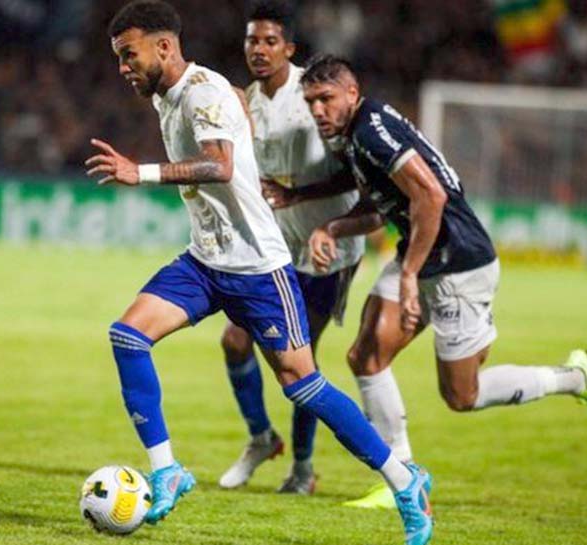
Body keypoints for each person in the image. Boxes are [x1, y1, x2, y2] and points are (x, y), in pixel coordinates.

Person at [85, 3, 432, 543]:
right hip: (205, 260)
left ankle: (404, 480)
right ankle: (167, 471)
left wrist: (140, 172)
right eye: (119, 58)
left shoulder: (204, 91)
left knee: (302, 384)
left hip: (258, 269)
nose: (124, 67)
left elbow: (219, 166)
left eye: (129, 55)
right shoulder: (167, 95)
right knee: (127, 336)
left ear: (164, 47)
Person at [299, 54, 587, 505]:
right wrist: (331, 227)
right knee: (366, 356)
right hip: (421, 253)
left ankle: (575, 378)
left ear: (351, 94)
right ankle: (404, 477)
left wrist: (409, 275)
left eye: (325, 98)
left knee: (462, 395)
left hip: (458, 263)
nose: (317, 110)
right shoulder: (355, 135)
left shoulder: (371, 129)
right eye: (310, 100)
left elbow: (430, 195)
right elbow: (383, 206)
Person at [217, 0, 368, 495]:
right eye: (251, 41)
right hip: (274, 245)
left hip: (329, 249)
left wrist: (297, 195)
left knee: (301, 364)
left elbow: (354, 171)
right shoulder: (246, 101)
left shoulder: (314, 92)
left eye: (269, 41)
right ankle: (261, 437)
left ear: (289, 48)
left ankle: (303, 468)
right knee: (235, 340)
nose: (258, 51)